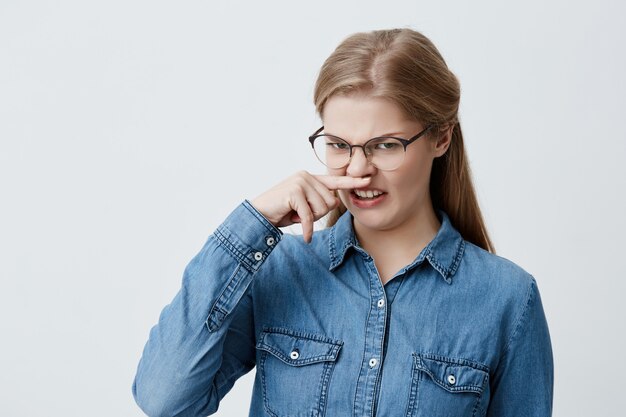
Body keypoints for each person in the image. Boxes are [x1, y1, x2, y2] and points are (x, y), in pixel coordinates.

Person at [132, 28, 553, 417]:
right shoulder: (279, 270)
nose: (358, 170)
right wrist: (254, 221)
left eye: (385, 145)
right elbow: (164, 399)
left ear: (441, 137)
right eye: (338, 145)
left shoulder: (507, 300)